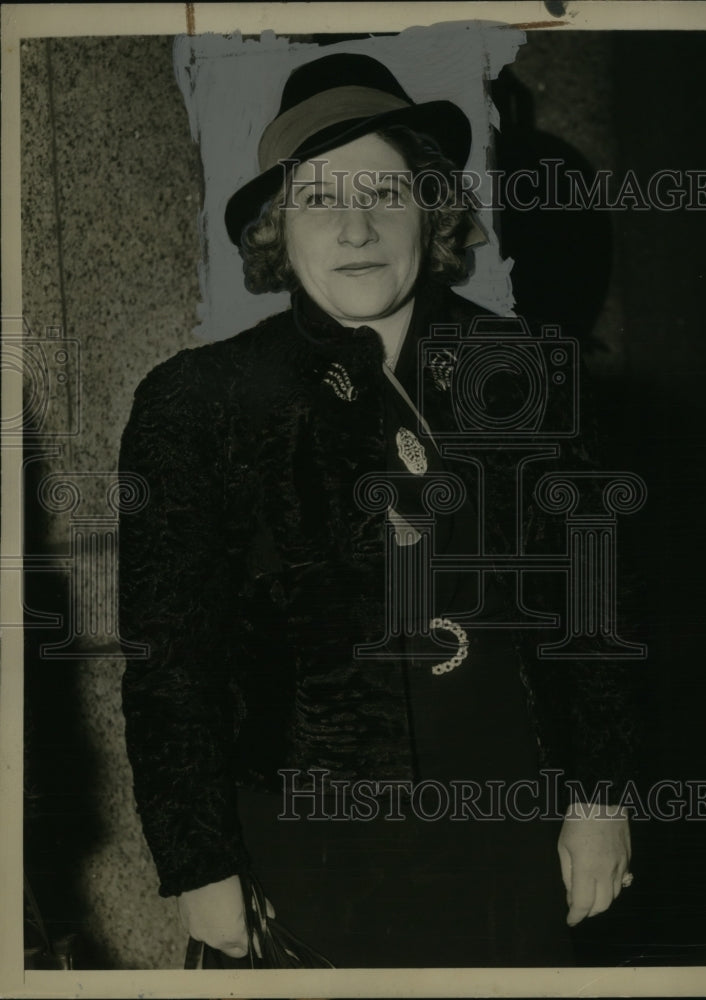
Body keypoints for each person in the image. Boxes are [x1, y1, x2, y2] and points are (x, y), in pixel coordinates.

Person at [118, 52, 635, 970]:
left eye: (385, 193)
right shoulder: (199, 401)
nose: (356, 226)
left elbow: (586, 616)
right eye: (320, 198)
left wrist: (598, 799)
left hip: (506, 847)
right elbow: (171, 665)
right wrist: (198, 868)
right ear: (280, 226)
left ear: (431, 212)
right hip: (300, 859)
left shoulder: (521, 370)